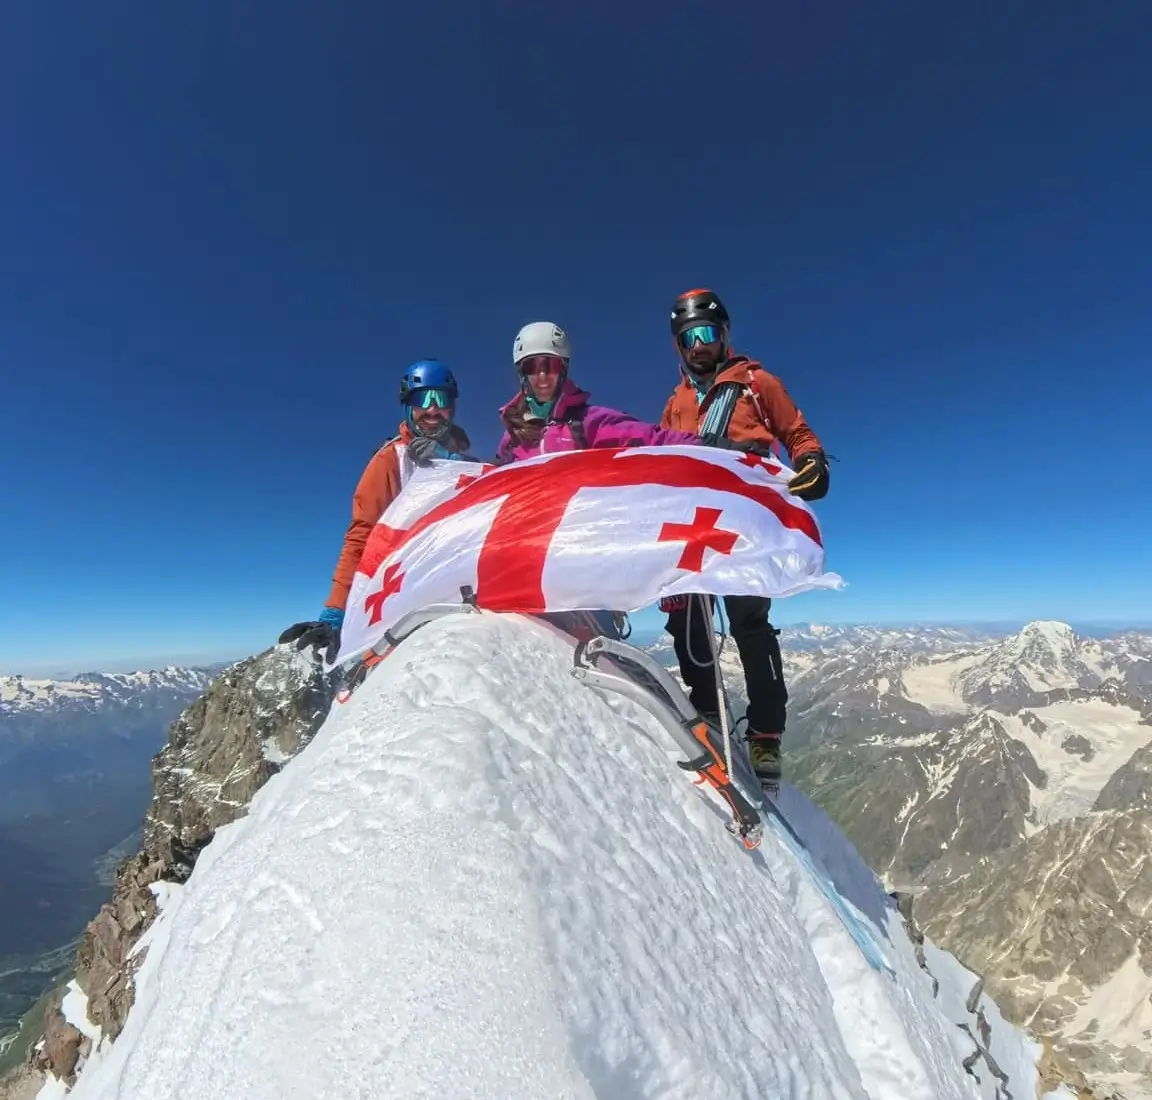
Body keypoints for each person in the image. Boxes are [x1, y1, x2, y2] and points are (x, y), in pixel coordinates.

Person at [658, 288, 831, 788]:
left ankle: (765, 735)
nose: (699, 345)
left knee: (748, 621)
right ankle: (707, 712)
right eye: (688, 337)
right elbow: (659, 457)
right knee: (686, 619)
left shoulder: (756, 383)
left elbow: (797, 432)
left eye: (707, 333)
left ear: (724, 335)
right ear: (678, 346)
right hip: (693, 519)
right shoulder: (676, 404)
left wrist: (812, 464)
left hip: (743, 519)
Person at [279, 359, 476, 663]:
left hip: (455, 593)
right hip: (404, 604)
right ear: (408, 407)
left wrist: (450, 463)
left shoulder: (466, 464)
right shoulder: (389, 461)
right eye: (423, 399)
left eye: (442, 399)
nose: (433, 409)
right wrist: (335, 610)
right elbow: (361, 536)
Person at [495, 321, 700, 461]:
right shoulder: (511, 438)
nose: (542, 376)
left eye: (551, 365)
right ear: (522, 374)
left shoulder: (587, 422)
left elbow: (653, 438)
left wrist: (712, 445)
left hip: (574, 522)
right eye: (532, 367)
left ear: (564, 370)